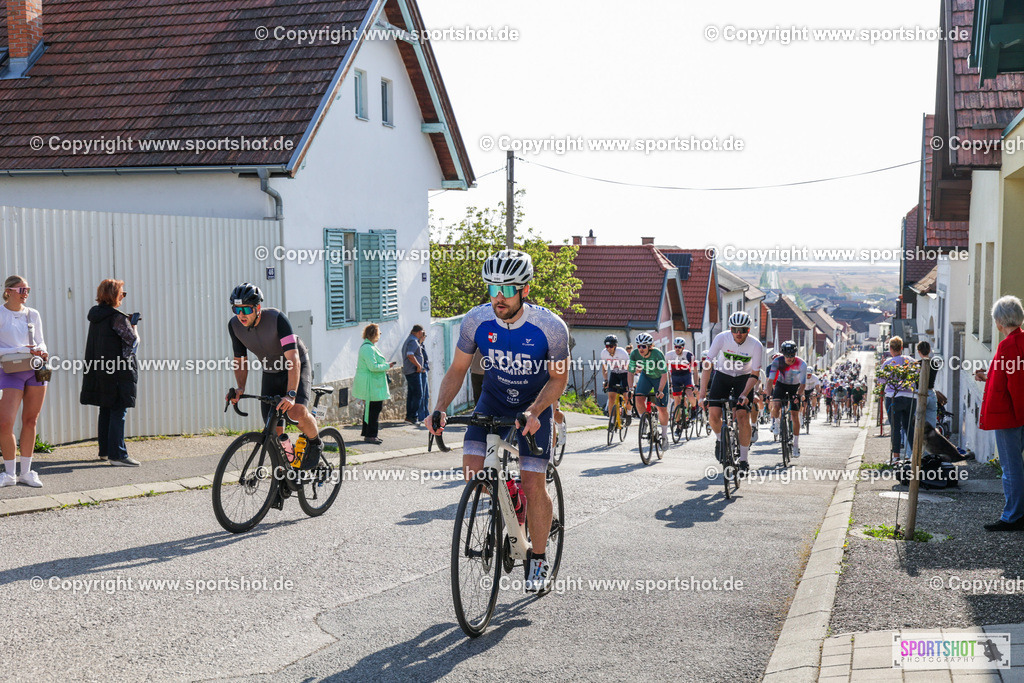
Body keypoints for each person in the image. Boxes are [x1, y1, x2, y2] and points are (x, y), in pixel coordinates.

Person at [426, 249, 569, 593]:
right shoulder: (476, 321)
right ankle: (510, 500)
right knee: (473, 472)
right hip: (493, 400)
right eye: (492, 289)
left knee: (534, 483)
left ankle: (537, 555)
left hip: (534, 407)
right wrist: (440, 407)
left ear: (525, 290)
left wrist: (535, 412)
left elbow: (558, 379)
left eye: (506, 289)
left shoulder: (550, 328)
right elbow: (458, 369)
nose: (498, 297)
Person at [226, 283, 324, 473]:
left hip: (295, 365)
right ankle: (290, 466)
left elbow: (293, 359)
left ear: (257, 308)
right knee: (273, 426)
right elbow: (240, 359)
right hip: (270, 371)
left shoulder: (277, 318)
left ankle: (316, 442)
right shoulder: (234, 326)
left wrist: (291, 394)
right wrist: (240, 389)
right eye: (236, 309)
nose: (241, 314)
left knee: (295, 412)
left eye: (246, 309)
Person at [976, 295, 1024, 531]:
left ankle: (1013, 516)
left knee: (1011, 466)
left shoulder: (1008, 345)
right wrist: (988, 376)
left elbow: (1016, 385)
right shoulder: (1020, 341)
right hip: (1016, 413)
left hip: (1010, 416)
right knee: (1015, 465)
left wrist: (1019, 415)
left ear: (1000, 321)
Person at [80, 278, 140, 466]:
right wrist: (134, 325)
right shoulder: (117, 317)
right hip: (117, 372)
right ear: (114, 295)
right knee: (118, 410)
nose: (123, 296)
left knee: (105, 408)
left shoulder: (97, 315)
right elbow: (133, 343)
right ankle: (118, 455)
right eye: (122, 293)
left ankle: (105, 451)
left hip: (100, 370)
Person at [698, 310, 764, 474]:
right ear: (730, 329)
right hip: (723, 376)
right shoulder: (721, 338)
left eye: (742, 330)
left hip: (744, 379)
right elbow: (707, 366)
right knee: (713, 415)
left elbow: (755, 374)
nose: (738, 333)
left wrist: (745, 393)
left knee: (742, 416)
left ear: (748, 330)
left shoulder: (756, 345)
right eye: (734, 329)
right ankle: (721, 440)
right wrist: (701, 395)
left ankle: (743, 459)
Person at [0, 276, 49, 486]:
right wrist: (20, 350)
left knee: (31, 420)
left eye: (27, 289)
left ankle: (27, 472)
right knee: (5, 423)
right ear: (9, 291)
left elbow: (41, 341)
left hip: (36, 369)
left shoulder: (33, 314)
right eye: (22, 289)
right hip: (10, 370)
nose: (26, 293)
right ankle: (9, 473)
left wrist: (43, 351)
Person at [353, 323, 394, 444]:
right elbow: (373, 366)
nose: (380, 334)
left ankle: (368, 434)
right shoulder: (368, 348)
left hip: (372, 384)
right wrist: (387, 365)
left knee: (371, 409)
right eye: (379, 332)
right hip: (371, 384)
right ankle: (371, 435)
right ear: (374, 334)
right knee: (374, 410)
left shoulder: (369, 347)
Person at [627, 333, 670, 447]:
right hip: (646, 376)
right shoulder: (635, 354)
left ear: (650, 346)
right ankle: (645, 421)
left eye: (644, 346)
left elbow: (664, 374)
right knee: (638, 399)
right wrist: (631, 389)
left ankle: (664, 436)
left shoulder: (657, 354)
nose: (641, 349)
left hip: (659, 378)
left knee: (662, 408)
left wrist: (660, 390)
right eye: (639, 346)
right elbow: (631, 372)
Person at [878, 336, 915, 465]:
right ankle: (913, 456)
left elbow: (881, 381)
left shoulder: (888, 363)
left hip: (893, 396)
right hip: (910, 397)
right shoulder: (911, 361)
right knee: (908, 426)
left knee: (895, 427)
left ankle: (896, 457)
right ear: (901, 347)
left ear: (891, 349)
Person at [767, 340, 807, 458]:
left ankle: (795, 445)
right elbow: (770, 381)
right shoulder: (777, 362)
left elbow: (803, 385)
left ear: (795, 354)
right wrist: (769, 396)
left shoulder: (802, 364)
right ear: (783, 354)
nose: (789, 358)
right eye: (787, 356)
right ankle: (777, 424)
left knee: (795, 414)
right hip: (781, 384)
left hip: (795, 387)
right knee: (776, 405)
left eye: (792, 356)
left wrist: (798, 395)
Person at [666, 336, 697, 423]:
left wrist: (696, 384)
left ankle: (694, 408)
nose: (677, 349)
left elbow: (695, 370)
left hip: (686, 376)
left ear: (683, 347)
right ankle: (678, 423)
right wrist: (668, 383)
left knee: (689, 394)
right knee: (677, 401)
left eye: (679, 347)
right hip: (675, 377)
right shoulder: (669, 355)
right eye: (676, 346)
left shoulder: (688, 355)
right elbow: (665, 370)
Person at [601, 334, 630, 417]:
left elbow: (629, 367)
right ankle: (612, 419)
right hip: (614, 373)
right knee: (611, 397)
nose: (609, 348)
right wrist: (606, 380)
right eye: (607, 346)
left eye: (611, 346)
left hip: (625, 373)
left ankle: (629, 413)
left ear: (615, 346)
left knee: (626, 396)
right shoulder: (604, 353)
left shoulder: (622, 352)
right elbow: (604, 368)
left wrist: (630, 382)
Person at [403, 324, 426, 424]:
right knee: (418, 394)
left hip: (410, 371)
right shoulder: (413, 341)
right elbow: (410, 355)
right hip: (413, 371)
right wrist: (418, 366)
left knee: (412, 395)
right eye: (421, 332)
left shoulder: (410, 340)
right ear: (419, 332)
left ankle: (409, 416)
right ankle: (412, 416)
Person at [917, 340, 940, 427]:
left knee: (917, 422)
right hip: (931, 393)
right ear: (929, 350)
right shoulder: (935, 364)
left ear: (919, 351)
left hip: (920, 394)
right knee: (931, 425)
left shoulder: (917, 364)